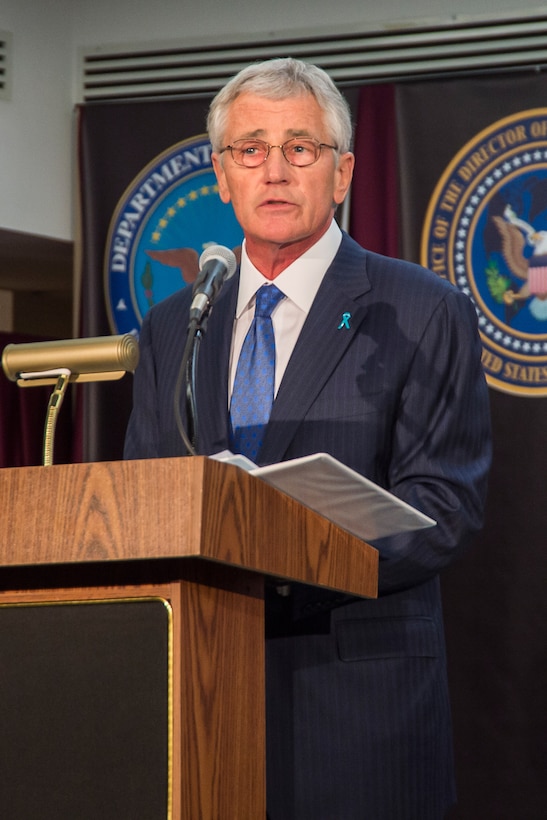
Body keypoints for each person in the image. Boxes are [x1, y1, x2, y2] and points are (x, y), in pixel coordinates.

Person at [124, 57, 491, 819]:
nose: (275, 171)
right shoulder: (173, 326)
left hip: (356, 699)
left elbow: (444, 506)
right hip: (201, 693)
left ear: (343, 170)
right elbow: (147, 493)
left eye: (300, 148)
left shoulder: (421, 310)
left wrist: (279, 556)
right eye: (249, 150)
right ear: (221, 177)